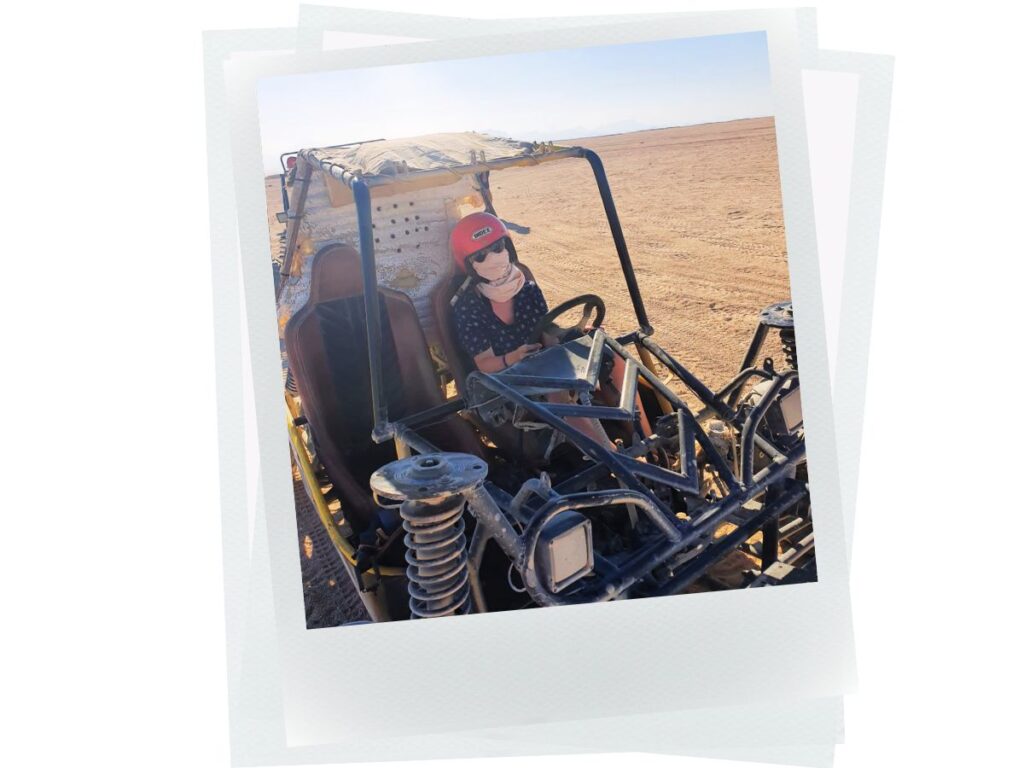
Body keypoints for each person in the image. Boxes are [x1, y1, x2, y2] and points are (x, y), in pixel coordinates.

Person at [449, 212, 652, 450]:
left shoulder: (527, 288)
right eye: (481, 256)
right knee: (556, 391)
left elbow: (547, 334)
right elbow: (484, 364)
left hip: (543, 363)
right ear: (470, 265)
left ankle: (647, 439)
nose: (494, 258)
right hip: (505, 379)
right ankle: (614, 456)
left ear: (508, 246)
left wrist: (575, 334)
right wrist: (514, 357)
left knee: (609, 353)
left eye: (498, 247)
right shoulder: (468, 306)